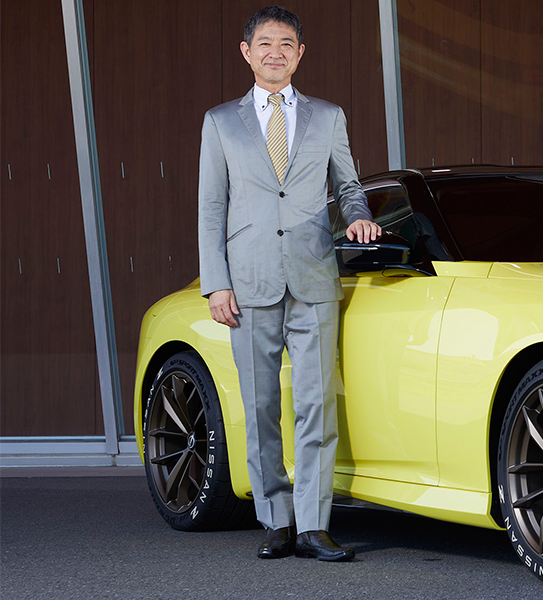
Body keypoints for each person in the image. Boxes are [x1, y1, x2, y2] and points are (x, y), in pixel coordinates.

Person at [197, 5, 380, 562]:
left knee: (316, 405)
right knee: (259, 404)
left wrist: (357, 214)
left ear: (300, 54)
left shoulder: (328, 116)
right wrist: (216, 284)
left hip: (313, 273)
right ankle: (275, 518)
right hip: (247, 280)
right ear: (246, 51)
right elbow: (212, 208)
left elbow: (348, 184)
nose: (275, 52)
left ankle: (313, 525)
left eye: (287, 44)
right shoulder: (221, 122)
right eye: (265, 43)